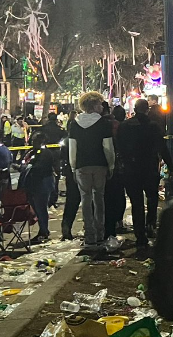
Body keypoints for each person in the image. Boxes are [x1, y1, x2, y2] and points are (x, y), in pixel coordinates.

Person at [117, 99, 170, 254]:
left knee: (137, 203)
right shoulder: (153, 126)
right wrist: (172, 168)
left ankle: (140, 237)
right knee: (152, 198)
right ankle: (150, 225)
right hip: (149, 168)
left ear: (134, 109)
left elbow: (118, 146)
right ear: (147, 110)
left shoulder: (125, 126)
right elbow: (162, 147)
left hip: (131, 169)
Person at [67, 92, 115, 252]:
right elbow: (108, 147)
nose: (102, 107)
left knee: (85, 199)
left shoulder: (74, 124)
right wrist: (111, 165)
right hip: (100, 165)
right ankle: (100, 232)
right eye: (100, 104)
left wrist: (73, 167)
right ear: (94, 106)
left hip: (81, 166)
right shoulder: (103, 124)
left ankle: (89, 234)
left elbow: (72, 148)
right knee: (99, 198)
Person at [21, 132, 57, 243]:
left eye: (35, 140)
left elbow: (39, 168)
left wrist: (29, 167)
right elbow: (25, 162)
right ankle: (43, 229)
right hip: (33, 184)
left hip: (43, 183)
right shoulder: (32, 152)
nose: (33, 142)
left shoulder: (45, 153)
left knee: (41, 208)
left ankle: (44, 231)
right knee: (37, 208)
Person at [103, 106, 127, 239]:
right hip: (120, 165)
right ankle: (118, 220)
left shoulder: (103, 125)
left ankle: (107, 224)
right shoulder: (123, 127)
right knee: (119, 194)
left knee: (107, 196)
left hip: (106, 165)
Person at [41, 112, 66, 207]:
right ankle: (53, 197)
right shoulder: (60, 130)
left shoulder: (42, 128)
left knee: (44, 175)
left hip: (44, 154)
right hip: (56, 155)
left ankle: (45, 197)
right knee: (56, 176)